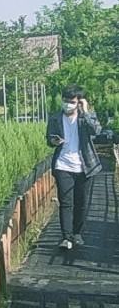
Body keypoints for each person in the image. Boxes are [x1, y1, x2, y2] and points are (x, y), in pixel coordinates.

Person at [46, 84, 102, 250]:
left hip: (85, 165)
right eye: (65, 101)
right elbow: (49, 139)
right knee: (66, 202)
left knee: (81, 202)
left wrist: (86, 111)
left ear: (79, 102)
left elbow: (96, 130)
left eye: (72, 102)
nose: (67, 104)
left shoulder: (85, 118)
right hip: (63, 164)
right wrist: (53, 141)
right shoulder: (55, 118)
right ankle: (66, 237)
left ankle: (77, 232)